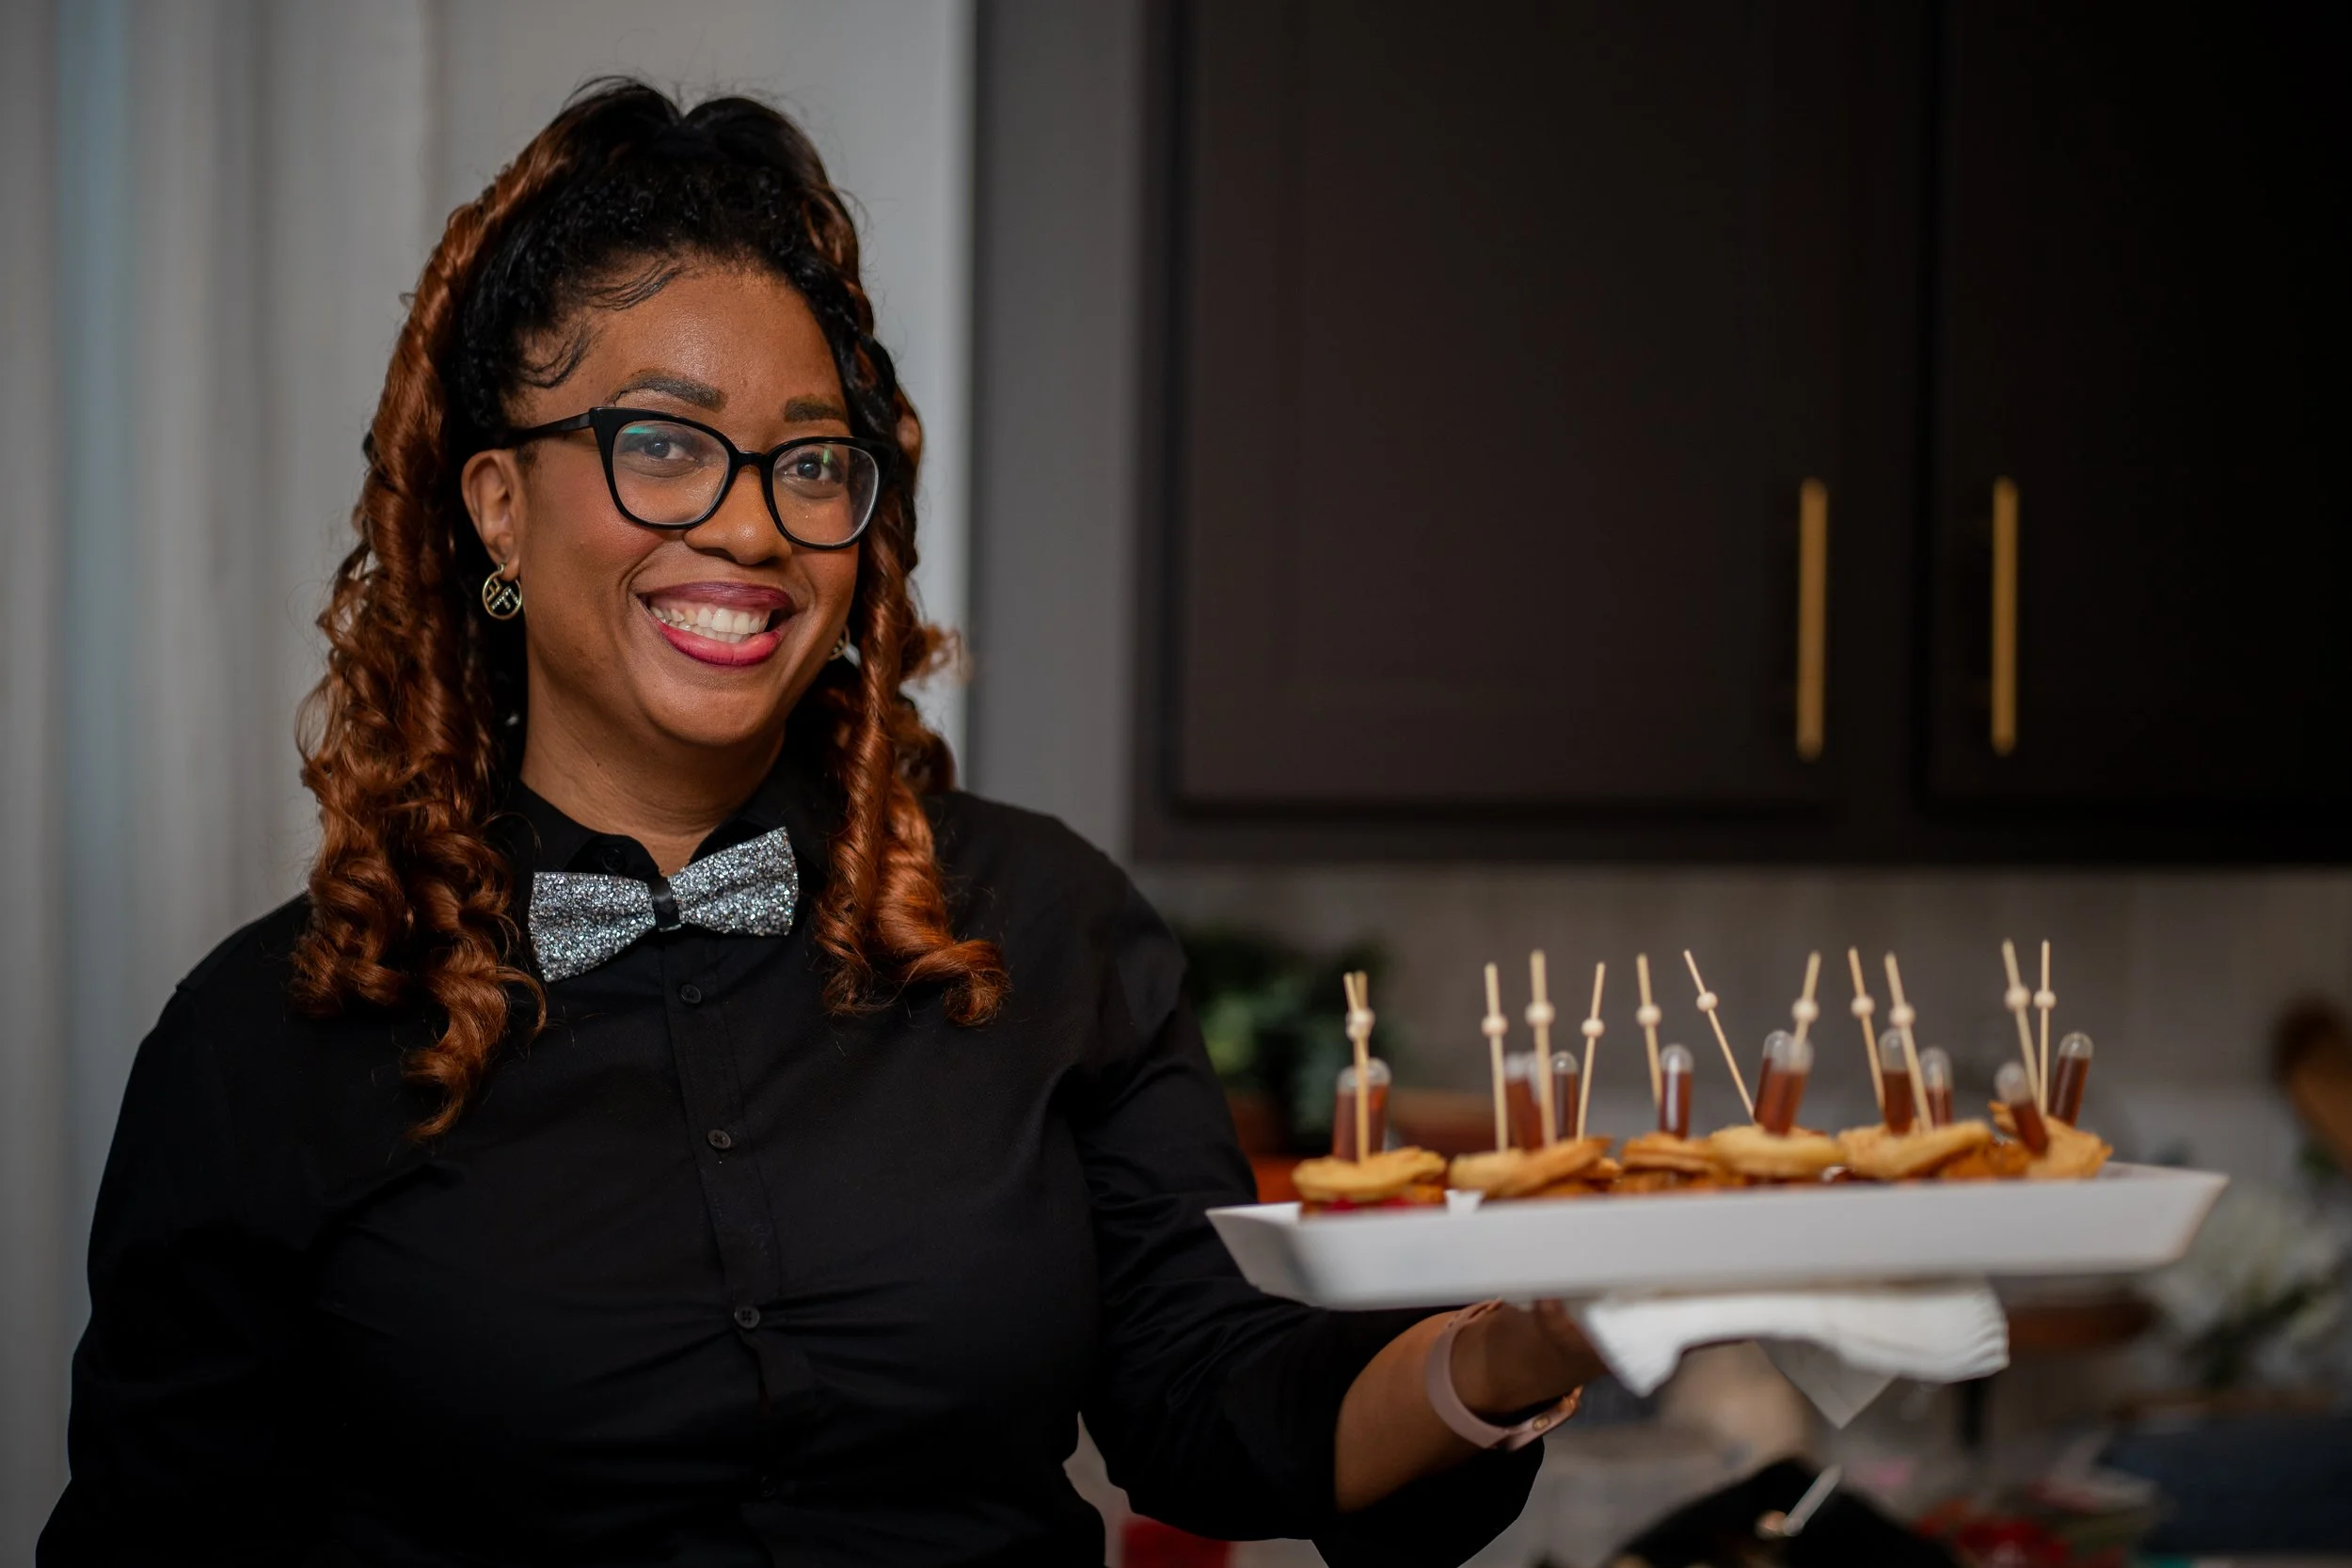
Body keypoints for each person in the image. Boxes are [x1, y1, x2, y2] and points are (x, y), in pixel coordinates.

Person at [40, 81, 1600, 1567]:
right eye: (658, 440)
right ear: (497, 501)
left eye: (808, 461)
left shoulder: (1044, 926)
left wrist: (1523, 1337)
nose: (748, 522)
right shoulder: (266, 1039)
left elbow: (1221, 1403)